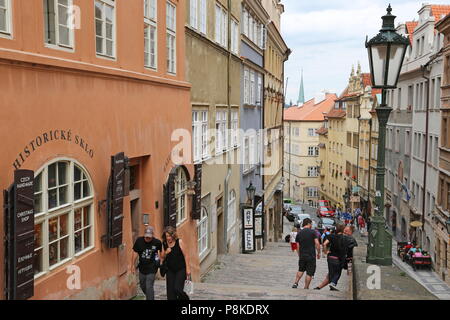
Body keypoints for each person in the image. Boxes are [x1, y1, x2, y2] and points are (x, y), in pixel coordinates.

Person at [161, 226, 191, 300]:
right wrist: (166, 252)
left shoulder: (179, 242)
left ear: (173, 235)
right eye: (167, 236)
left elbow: (186, 255)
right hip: (170, 270)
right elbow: (162, 257)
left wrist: (188, 269)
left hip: (181, 269)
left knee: (177, 289)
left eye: (170, 236)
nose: (168, 238)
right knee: (170, 293)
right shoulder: (164, 243)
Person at [132, 226, 162, 300]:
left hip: (152, 267)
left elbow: (160, 252)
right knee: (142, 285)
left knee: (149, 285)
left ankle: (150, 298)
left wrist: (160, 261)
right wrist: (132, 265)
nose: (147, 239)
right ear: (144, 235)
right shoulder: (139, 241)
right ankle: (150, 296)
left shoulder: (157, 242)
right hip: (142, 267)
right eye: (146, 237)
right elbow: (135, 253)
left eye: (149, 237)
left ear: (152, 236)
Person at [292, 218, 321, 289]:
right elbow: (317, 243)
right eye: (311, 224)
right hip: (311, 255)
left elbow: (297, 246)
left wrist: (299, 254)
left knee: (301, 269)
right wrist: (318, 252)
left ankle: (296, 283)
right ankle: (306, 287)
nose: (311, 225)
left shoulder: (299, 233)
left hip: (302, 255)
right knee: (309, 272)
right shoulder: (313, 232)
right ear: (308, 224)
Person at [323, 223, 346, 291]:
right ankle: (333, 283)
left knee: (331, 272)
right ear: (343, 230)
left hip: (330, 257)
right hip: (338, 258)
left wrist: (325, 252)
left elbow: (324, 244)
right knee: (338, 272)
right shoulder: (344, 237)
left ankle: (331, 284)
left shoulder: (331, 236)